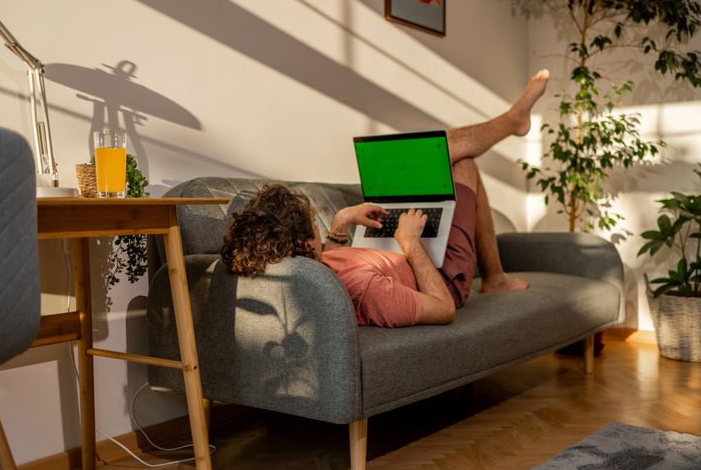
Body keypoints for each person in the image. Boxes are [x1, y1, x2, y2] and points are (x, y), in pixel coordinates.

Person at [221, 70, 549, 327]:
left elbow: (330, 269)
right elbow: (443, 308)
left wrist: (341, 222)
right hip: (441, 275)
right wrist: (410, 242)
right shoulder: (367, 289)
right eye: (314, 228)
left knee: (437, 152)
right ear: (308, 245)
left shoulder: (309, 271)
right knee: (461, 162)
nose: (318, 234)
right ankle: (495, 278)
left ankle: (511, 121)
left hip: (401, 253)